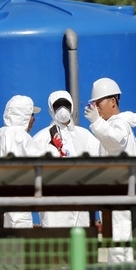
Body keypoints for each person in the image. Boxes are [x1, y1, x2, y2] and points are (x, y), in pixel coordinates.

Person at [84, 77, 136, 263]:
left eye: (98, 103)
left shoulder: (119, 124)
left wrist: (96, 124)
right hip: (114, 200)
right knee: (115, 250)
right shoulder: (110, 125)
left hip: (123, 200)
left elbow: (115, 142)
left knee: (121, 250)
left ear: (112, 102)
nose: (95, 107)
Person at [33, 90, 100, 228]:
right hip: (54, 204)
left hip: (81, 202)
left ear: (72, 107)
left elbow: (99, 160)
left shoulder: (84, 135)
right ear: (51, 109)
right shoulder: (42, 138)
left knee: (81, 242)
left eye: (66, 105)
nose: (63, 110)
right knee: (56, 242)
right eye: (58, 106)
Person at [0, 95, 42, 228]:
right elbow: (39, 163)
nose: (33, 119)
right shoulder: (22, 137)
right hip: (16, 200)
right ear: (24, 115)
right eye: (31, 114)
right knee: (18, 241)